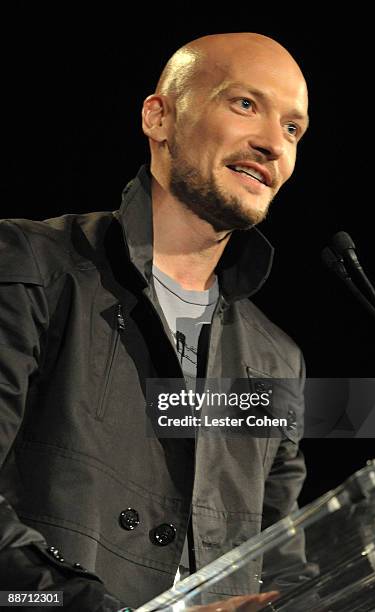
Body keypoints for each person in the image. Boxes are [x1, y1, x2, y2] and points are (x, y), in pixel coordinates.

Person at [0, 32, 309, 610]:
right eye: (245, 104)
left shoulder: (276, 360)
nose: (273, 143)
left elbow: (280, 564)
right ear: (159, 117)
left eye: (293, 129)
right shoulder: (29, 268)